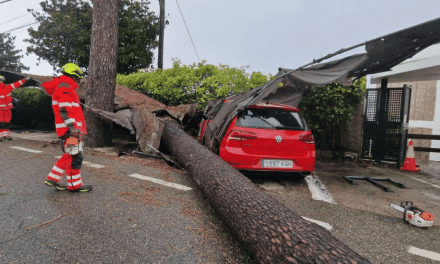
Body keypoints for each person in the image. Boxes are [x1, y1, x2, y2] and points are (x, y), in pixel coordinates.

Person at [42, 63, 92, 192]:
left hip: (69, 129)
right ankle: (74, 185)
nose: (79, 81)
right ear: (73, 75)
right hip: (70, 130)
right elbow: (64, 110)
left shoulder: (65, 87)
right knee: (75, 157)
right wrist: (73, 128)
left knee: (71, 155)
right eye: (78, 77)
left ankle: (53, 178)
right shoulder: (64, 87)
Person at [0, 75, 29, 141]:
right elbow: (16, 84)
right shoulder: (7, 87)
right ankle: (1, 135)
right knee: (2, 122)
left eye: (2, 81)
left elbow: (16, 84)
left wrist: (24, 80)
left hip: (7, 109)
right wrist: (25, 79)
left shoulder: (8, 87)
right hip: (2, 109)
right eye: (0, 81)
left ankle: (6, 135)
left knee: (6, 122)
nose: (1, 82)